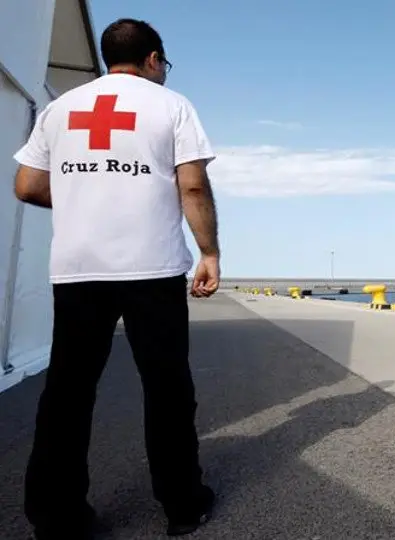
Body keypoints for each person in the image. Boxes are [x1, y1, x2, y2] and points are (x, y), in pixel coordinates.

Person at [12, 18, 220, 539]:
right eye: (164, 64)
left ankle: (56, 518)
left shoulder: (61, 109)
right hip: (152, 269)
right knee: (168, 388)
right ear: (153, 59)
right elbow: (192, 187)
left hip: (79, 269)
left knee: (68, 392)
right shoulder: (170, 106)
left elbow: (27, 185)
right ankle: (182, 506)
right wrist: (210, 251)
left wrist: (86, 197)